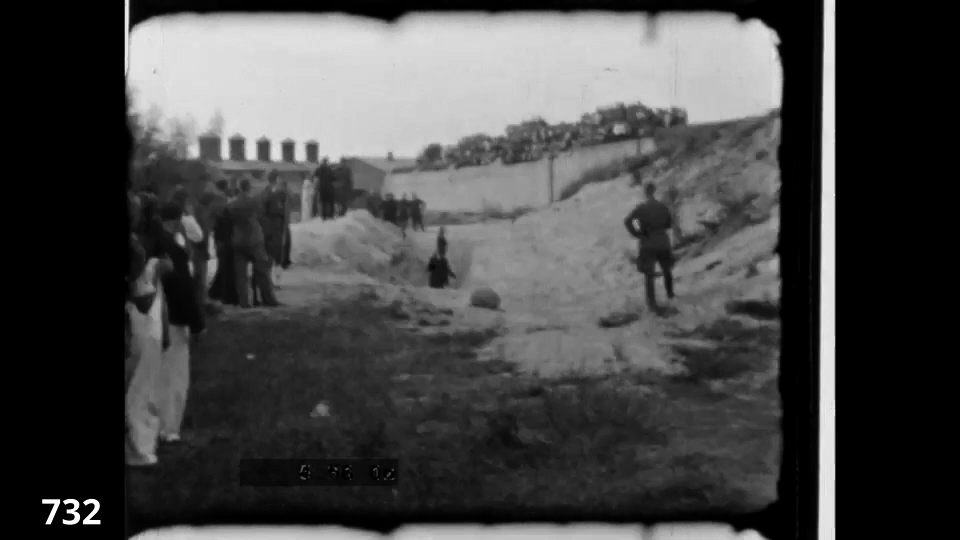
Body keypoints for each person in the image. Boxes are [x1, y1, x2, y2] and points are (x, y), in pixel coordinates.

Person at [154, 202, 205, 444]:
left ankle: (147, 426)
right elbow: (183, 289)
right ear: (176, 222)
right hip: (173, 318)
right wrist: (196, 324)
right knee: (175, 376)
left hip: (149, 319)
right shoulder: (173, 249)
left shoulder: (148, 243)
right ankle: (169, 429)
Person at [623, 182, 676, 313]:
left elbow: (628, 221)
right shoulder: (662, 207)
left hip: (647, 243)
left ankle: (652, 302)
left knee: (649, 274)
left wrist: (638, 233)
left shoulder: (641, 208)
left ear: (646, 192)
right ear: (654, 191)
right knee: (667, 270)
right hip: (662, 241)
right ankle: (670, 295)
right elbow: (669, 223)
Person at [228, 177, 280, 308]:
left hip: (238, 240)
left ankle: (244, 302)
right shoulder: (254, 202)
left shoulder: (231, 204)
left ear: (239, 188)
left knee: (241, 274)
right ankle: (268, 299)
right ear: (249, 187)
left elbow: (228, 222)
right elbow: (262, 218)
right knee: (262, 270)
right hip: (255, 239)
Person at [206, 180, 238, 306]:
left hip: (221, 238)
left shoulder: (218, 202)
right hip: (225, 238)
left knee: (224, 266)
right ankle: (224, 294)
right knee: (226, 267)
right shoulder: (222, 202)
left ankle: (216, 292)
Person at [261, 170, 289, 288]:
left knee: (273, 253)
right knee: (275, 253)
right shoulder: (275, 193)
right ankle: (273, 280)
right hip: (275, 226)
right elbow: (284, 212)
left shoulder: (268, 192)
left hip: (270, 226)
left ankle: (272, 280)